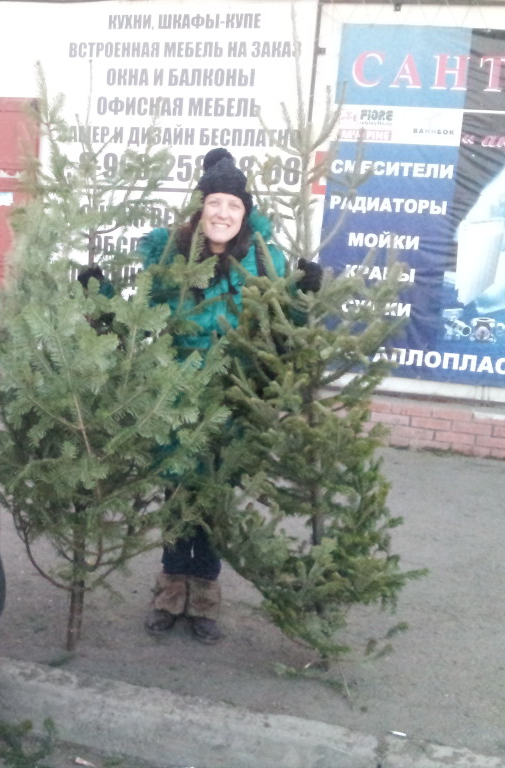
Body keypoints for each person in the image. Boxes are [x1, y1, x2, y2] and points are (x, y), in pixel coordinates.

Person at [80, 147, 320, 643]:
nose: (223, 214)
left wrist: (305, 295)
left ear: (245, 212)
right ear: (202, 207)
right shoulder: (171, 257)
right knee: (176, 499)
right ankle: (170, 595)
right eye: (215, 204)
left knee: (212, 504)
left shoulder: (263, 260)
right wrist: (98, 294)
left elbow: (284, 327)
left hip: (232, 400)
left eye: (233, 206)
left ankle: (204, 600)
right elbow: (134, 317)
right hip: (173, 397)